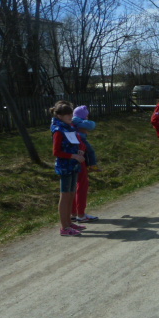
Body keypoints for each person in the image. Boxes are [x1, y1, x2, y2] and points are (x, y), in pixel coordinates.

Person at [50, 101, 86, 236]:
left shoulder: (69, 127)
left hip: (73, 165)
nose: (70, 116)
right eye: (67, 114)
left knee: (71, 194)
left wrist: (79, 152)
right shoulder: (58, 130)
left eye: (71, 113)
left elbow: (76, 142)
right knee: (65, 196)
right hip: (65, 166)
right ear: (59, 116)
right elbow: (56, 152)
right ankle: (64, 227)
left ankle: (69, 222)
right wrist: (73, 156)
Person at [70, 105, 99, 223]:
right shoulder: (74, 123)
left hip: (71, 157)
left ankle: (74, 212)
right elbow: (90, 126)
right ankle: (80, 214)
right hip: (76, 157)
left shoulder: (64, 125)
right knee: (81, 184)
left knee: (72, 186)